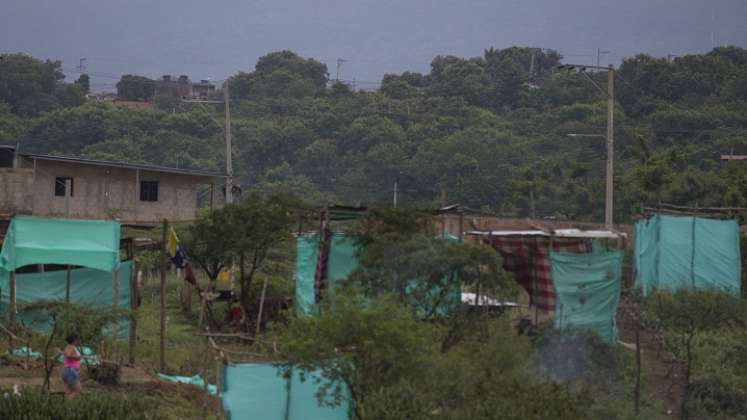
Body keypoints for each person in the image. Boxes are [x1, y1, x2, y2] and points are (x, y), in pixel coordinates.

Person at [62, 334, 82, 399]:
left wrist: (78, 357)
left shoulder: (67, 347)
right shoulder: (71, 347)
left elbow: (68, 355)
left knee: (69, 392)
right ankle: (67, 404)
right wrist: (78, 357)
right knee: (77, 390)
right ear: (74, 341)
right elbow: (68, 355)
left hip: (66, 371)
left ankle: (68, 407)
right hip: (71, 371)